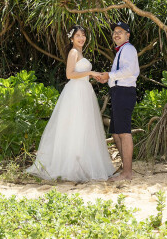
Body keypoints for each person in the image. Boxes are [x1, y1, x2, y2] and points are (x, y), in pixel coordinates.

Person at [26, 25, 114, 182]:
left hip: (84, 90)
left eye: (83, 35)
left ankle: (82, 163)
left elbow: (80, 74)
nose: (81, 38)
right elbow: (69, 74)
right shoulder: (73, 52)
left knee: (84, 127)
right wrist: (90, 72)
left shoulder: (80, 52)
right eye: (78, 35)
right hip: (75, 93)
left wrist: (93, 76)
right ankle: (72, 166)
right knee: (75, 126)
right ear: (72, 38)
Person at [95, 22, 139, 181]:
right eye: (114, 32)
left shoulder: (128, 49)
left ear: (128, 35)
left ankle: (127, 172)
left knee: (124, 132)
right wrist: (108, 79)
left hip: (124, 92)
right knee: (115, 131)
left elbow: (128, 71)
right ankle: (125, 167)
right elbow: (119, 73)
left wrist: (109, 75)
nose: (116, 34)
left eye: (120, 31)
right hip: (118, 92)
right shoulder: (121, 50)